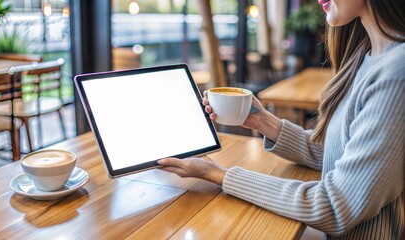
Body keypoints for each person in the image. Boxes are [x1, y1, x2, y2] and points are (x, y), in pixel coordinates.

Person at [158, 0, 405, 238]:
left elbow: (336, 206)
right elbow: (341, 154)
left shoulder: (397, 73)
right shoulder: (368, 55)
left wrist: (219, 175)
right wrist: (263, 121)